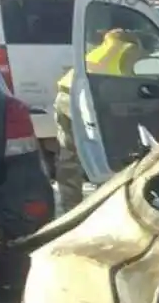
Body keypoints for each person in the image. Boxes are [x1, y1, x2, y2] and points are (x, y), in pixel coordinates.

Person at [52, 27, 151, 210]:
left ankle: (70, 206)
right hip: (85, 99)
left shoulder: (101, 49)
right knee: (107, 151)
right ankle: (110, 203)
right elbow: (134, 83)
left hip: (65, 95)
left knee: (69, 155)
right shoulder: (129, 50)